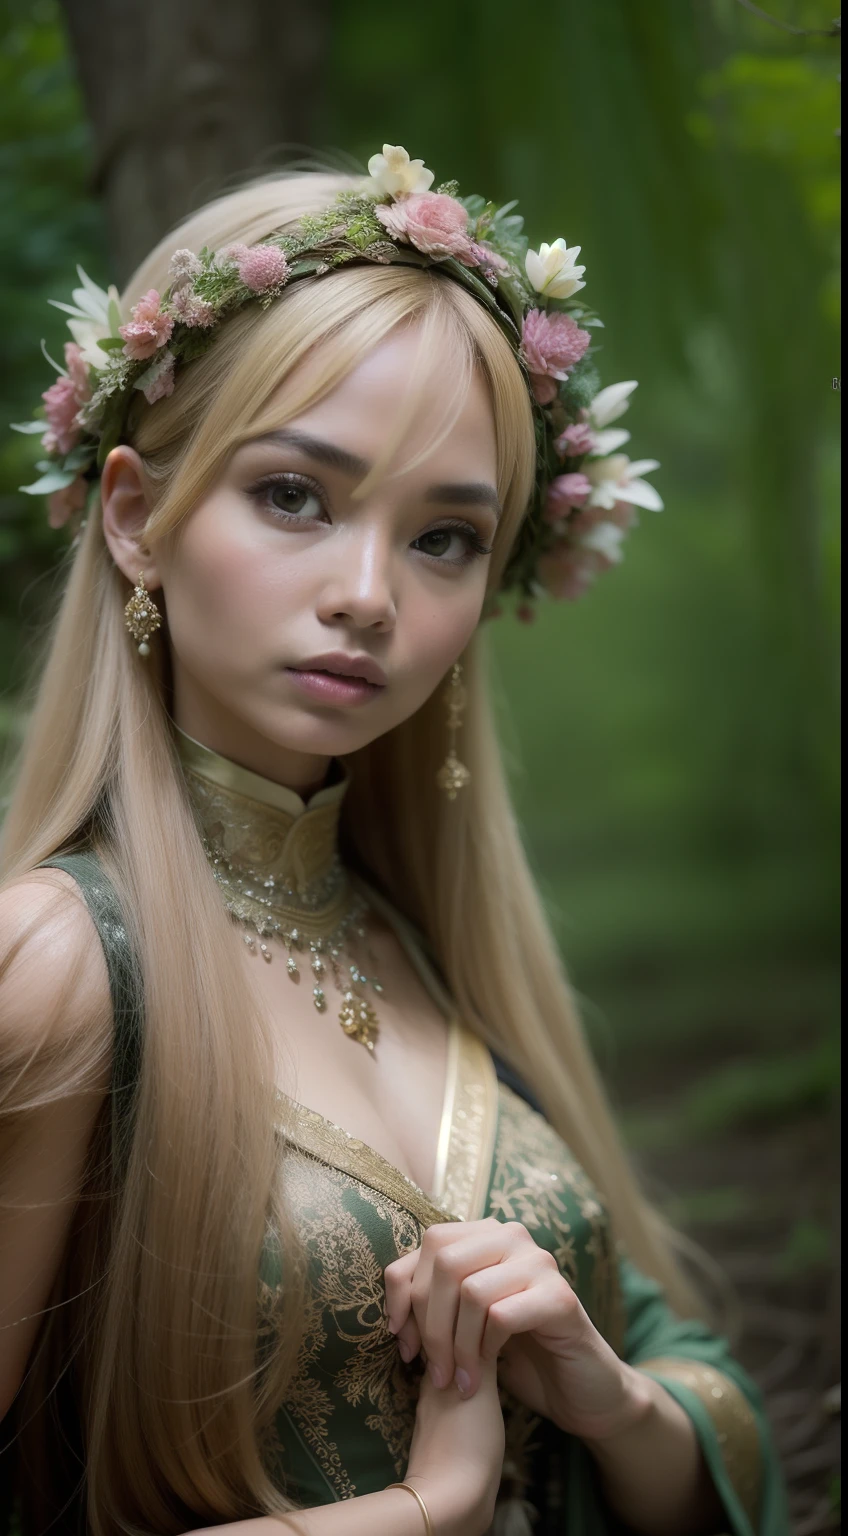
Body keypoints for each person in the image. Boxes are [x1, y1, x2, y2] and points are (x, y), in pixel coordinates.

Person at [0, 145, 788, 1536]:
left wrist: (608, 1402)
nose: (368, 595)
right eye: (295, 496)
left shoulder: (424, 946)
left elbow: (691, 1371)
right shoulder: (60, 966)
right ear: (136, 518)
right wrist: (430, 1508)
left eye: (443, 538)